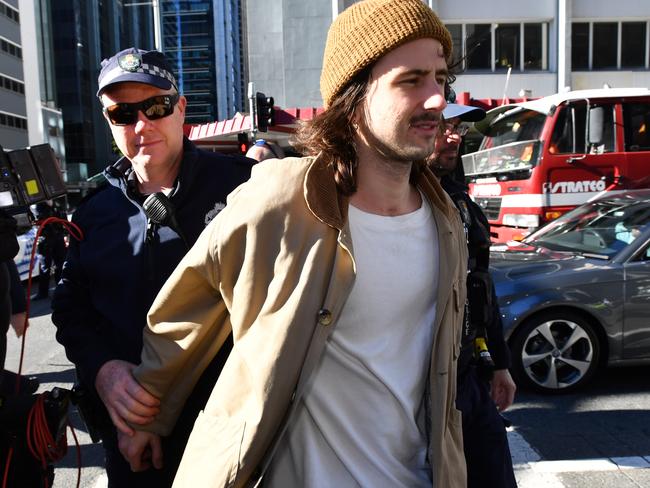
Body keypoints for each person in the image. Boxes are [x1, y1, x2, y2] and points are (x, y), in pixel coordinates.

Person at [121, 1, 469, 487]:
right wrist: (148, 413)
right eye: (411, 80)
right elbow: (186, 307)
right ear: (353, 97)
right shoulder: (283, 198)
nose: (436, 99)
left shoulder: (446, 220)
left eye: (440, 79)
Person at [50, 47, 253, 487]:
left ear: (181, 110)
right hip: (132, 448)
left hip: (231, 434)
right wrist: (104, 371)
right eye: (123, 114)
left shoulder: (244, 187)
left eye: (155, 107)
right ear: (109, 123)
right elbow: (70, 309)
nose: (141, 125)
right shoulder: (93, 214)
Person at [430, 102, 518, 488]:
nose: (454, 137)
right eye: (442, 126)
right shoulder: (396, 203)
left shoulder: (461, 201)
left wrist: (499, 363)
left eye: (457, 128)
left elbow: (480, 285)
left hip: (467, 375)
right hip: (421, 383)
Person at [33, 200, 66, 300]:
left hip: (58, 238)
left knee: (60, 265)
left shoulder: (57, 204)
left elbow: (63, 220)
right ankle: (43, 293)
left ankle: (61, 289)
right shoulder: (37, 206)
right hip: (45, 239)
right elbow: (36, 220)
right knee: (45, 266)